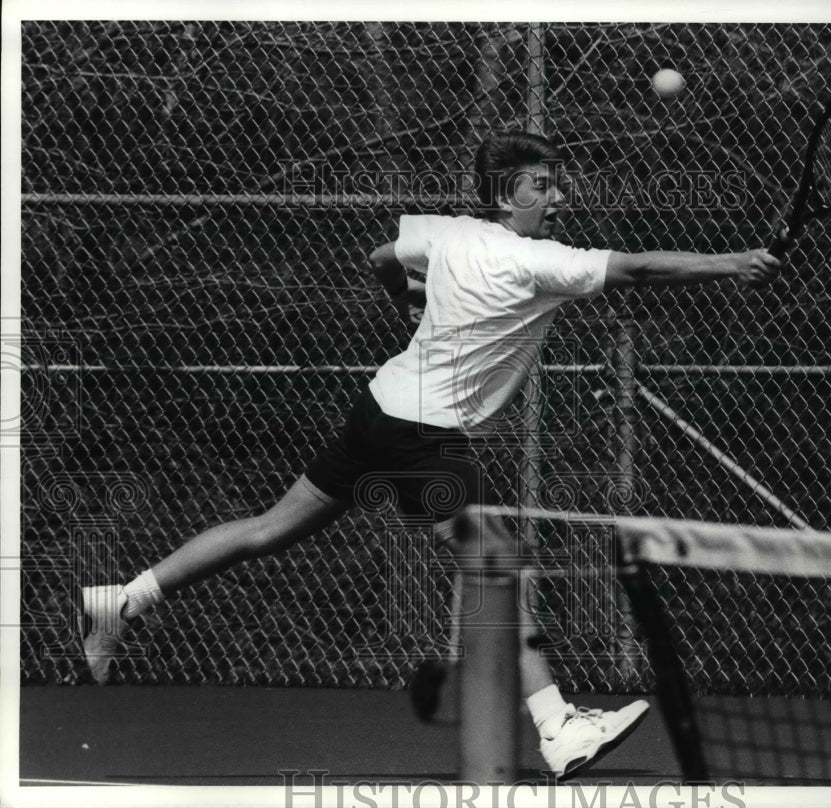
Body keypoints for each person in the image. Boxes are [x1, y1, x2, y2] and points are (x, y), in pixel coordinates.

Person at [80, 130, 780, 780]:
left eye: (557, 184)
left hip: (380, 408)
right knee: (493, 560)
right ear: (506, 195)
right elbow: (640, 267)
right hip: (424, 432)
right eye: (543, 185)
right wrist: (732, 263)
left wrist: (406, 305)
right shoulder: (542, 261)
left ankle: (124, 599)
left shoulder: (443, 233)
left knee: (272, 527)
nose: (559, 197)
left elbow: (381, 258)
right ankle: (557, 725)